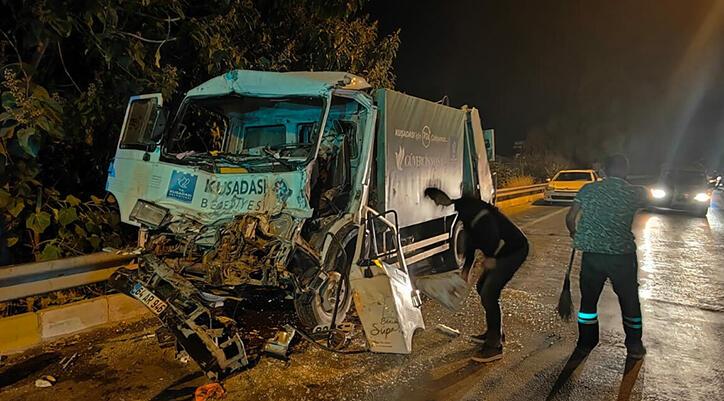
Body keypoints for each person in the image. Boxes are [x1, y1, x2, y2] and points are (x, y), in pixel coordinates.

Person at [425, 188, 529, 362]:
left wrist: (491, 258)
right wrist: (467, 270)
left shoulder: (470, 207)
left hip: (513, 250)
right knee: (482, 288)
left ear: (443, 195)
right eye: (434, 202)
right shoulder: (463, 209)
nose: (437, 204)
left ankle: (494, 346)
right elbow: (472, 242)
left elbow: (492, 233)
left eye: (436, 199)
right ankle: (494, 333)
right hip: (502, 250)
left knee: (489, 293)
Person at [565, 154, 647, 359]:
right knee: (629, 300)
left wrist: (576, 234)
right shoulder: (635, 192)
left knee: (588, 302)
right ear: (626, 170)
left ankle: (586, 343)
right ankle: (634, 345)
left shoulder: (587, 190)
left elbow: (570, 217)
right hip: (622, 257)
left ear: (604, 171)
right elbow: (645, 200)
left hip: (592, 257)